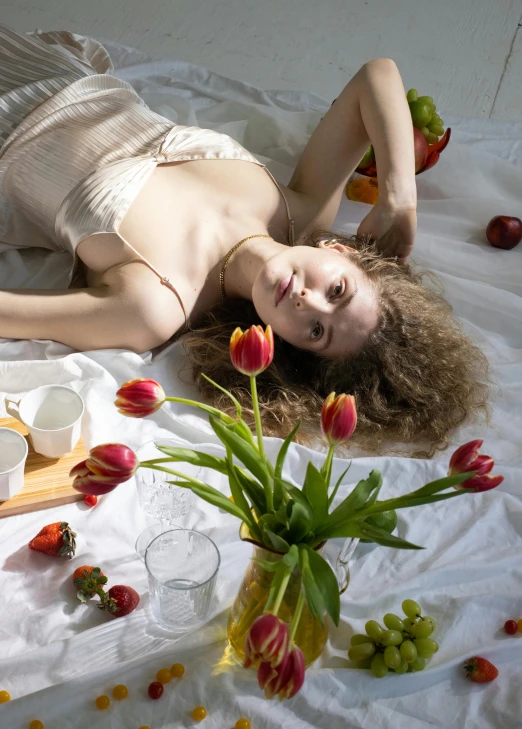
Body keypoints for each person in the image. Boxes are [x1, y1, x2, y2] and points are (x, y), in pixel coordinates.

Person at [0, 25, 488, 454]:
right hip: (51, 69)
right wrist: (398, 200)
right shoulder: (302, 210)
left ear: (287, 345)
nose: (306, 301)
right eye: (337, 291)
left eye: (316, 331)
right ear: (340, 251)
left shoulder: (154, 306)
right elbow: (377, 76)